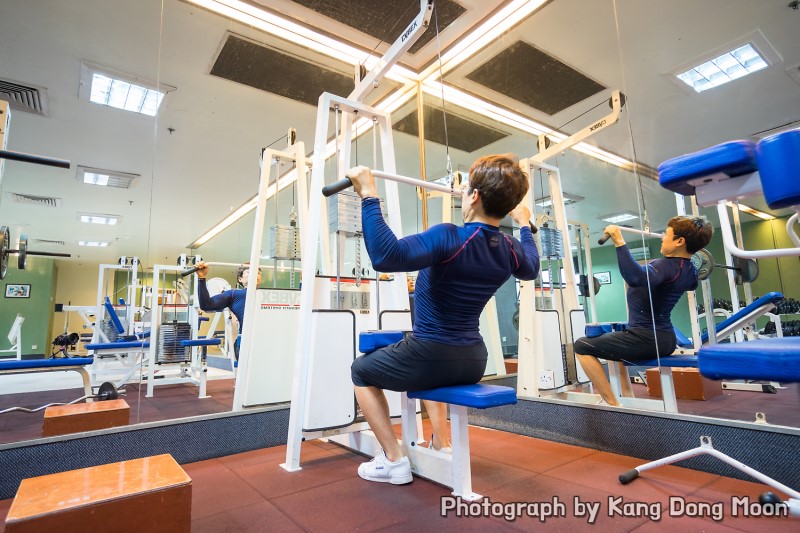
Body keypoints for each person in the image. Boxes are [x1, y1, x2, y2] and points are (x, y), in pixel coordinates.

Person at [346, 154, 540, 485]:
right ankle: (440, 440)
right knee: (426, 369)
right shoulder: (509, 248)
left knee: (361, 371)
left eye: (466, 189)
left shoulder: (450, 236)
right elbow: (532, 267)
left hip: (432, 353)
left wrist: (368, 195)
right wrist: (523, 224)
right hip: (473, 359)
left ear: (475, 196)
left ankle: (394, 460)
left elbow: (385, 256)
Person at [574, 216, 713, 406]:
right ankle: (627, 394)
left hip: (646, 339)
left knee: (581, 346)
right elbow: (689, 284)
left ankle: (612, 403)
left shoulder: (665, 266)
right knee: (616, 343)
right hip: (666, 339)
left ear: (680, 241)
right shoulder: (689, 270)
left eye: (667, 234)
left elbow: (635, 278)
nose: (662, 237)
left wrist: (619, 241)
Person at [194, 262, 262, 360]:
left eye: (258, 271)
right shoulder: (234, 294)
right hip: (246, 342)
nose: (255, 273)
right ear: (240, 279)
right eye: (249, 271)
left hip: (270, 340)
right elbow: (206, 305)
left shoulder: (272, 294)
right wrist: (201, 277)